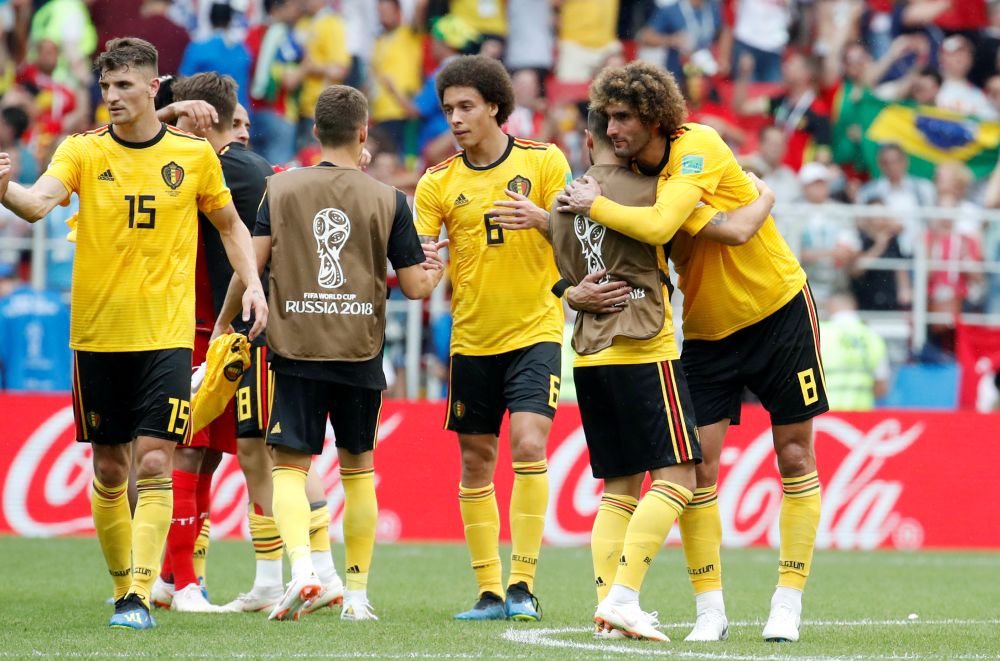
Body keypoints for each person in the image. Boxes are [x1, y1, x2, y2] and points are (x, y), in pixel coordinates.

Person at [0, 37, 266, 630]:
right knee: (110, 469)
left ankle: (140, 596)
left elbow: (230, 226)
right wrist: (4, 190)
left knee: (155, 462)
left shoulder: (193, 156)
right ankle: (123, 583)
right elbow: (38, 204)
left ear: (152, 89)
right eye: (106, 87)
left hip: (166, 337)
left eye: (124, 86)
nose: (112, 97)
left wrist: (251, 283)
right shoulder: (83, 151)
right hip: (96, 334)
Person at [558, 60, 828, 643]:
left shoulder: (696, 144)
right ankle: (711, 608)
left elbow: (661, 228)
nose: (614, 126)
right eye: (608, 116)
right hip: (705, 331)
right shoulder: (629, 175)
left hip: (778, 310)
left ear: (656, 116)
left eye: (625, 116)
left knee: (795, 455)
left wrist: (592, 204)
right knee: (696, 469)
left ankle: (788, 599)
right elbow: (727, 230)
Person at [213, 84, 445, 622]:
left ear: (316, 132)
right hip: (360, 349)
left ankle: (303, 573)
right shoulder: (389, 199)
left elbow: (255, 262)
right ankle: (358, 597)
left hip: (296, 346)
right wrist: (437, 267)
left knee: (289, 468)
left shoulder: (282, 189)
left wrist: (227, 321)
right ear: (364, 133)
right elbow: (414, 287)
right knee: (358, 470)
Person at [414, 54, 571, 621]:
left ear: (495, 107)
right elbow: (421, 278)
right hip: (472, 339)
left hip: (536, 329)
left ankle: (523, 585)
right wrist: (424, 266)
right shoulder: (437, 183)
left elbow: (583, 238)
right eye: (448, 109)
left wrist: (545, 219)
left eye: (466, 107)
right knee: (476, 462)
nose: (455, 119)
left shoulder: (545, 160)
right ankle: (488, 590)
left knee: (530, 446)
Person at [144, 72, 280, 614]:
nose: (245, 133)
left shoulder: (225, 168)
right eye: (238, 122)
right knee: (192, 451)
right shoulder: (198, 164)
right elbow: (117, 136)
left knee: (201, 454)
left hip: (214, 327)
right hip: (197, 325)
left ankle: (176, 579)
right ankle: (182, 583)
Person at [819, 291, 890, 411]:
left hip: (827, 414)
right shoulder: (873, 337)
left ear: (830, 307)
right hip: (862, 415)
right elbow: (881, 388)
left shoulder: (820, 333)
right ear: (854, 306)